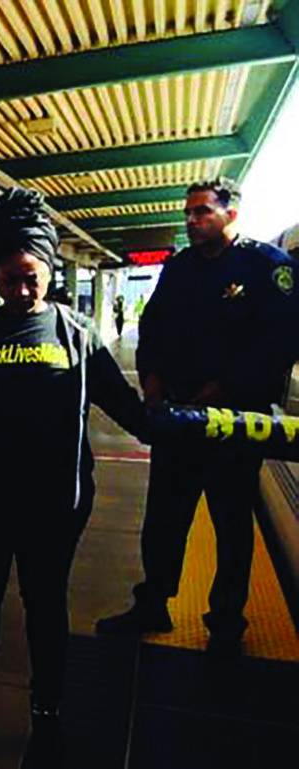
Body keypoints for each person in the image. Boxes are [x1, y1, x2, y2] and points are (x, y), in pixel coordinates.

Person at [0, 189, 147, 769]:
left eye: (31, 277)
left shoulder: (75, 334)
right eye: (9, 278)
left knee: (45, 612)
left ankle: (47, 718)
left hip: (51, 510)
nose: (20, 290)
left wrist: (189, 429)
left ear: (48, 267)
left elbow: (128, 409)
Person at [95, 179, 299, 656]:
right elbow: (153, 325)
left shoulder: (267, 268)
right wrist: (150, 379)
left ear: (231, 215)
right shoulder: (180, 268)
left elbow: (280, 345)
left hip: (231, 425)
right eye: (188, 213)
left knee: (230, 523)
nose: (191, 221)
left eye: (202, 212)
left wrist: (223, 390)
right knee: (164, 518)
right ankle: (153, 603)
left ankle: (226, 619)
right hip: (178, 421)